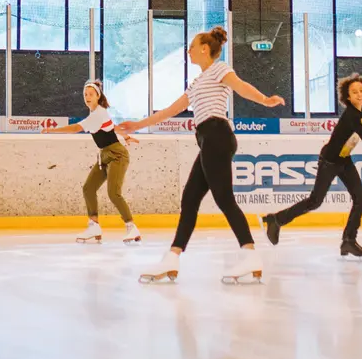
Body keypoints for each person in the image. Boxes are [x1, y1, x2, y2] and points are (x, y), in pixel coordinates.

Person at [115, 26, 285, 284]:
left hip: (217, 135)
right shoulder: (196, 83)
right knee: (190, 199)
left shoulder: (220, 69)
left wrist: (265, 100)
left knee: (224, 199)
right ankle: (172, 257)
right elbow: (170, 110)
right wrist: (137, 125)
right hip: (207, 140)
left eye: (192, 46)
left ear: (205, 49)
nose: (189, 50)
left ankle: (250, 253)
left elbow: (240, 86)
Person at [259, 73, 362, 258]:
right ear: (348, 97)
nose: (360, 94)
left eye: (361, 91)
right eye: (354, 92)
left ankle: (349, 241)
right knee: (315, 201)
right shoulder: (352, 115)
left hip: (343, 160)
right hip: (329, 161)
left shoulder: (359, 112)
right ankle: (276, 219)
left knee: (360, 197)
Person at [43, 79, 140, 244]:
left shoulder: (98, 114)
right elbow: (112, 126)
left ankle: (132, 228)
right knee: (89, 188)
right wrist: (125, 135)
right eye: (85, 94)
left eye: (90, 94)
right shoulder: (98, 114)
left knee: (113, 193)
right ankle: (93, 225)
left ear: (98, 96)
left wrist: (53, 130)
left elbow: (76, 128)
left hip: (117, 155)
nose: (87, 97)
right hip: (104, 156)